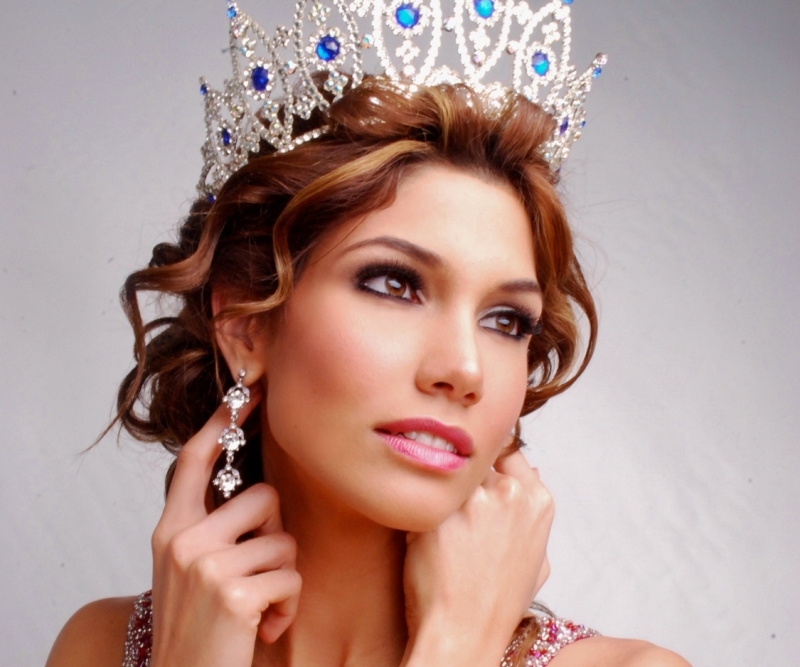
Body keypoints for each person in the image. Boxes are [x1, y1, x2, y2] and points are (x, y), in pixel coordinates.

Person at [45, 2, 691, 666]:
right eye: (394, 284)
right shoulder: (97, 648)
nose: (464, 369)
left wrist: (456, 645)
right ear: (244, 323)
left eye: (506, 320)